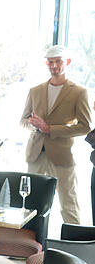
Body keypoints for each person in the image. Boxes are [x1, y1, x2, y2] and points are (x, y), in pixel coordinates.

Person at [20, 45, 91, 225]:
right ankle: (30, 245)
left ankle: (74, 245)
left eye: (58, 61)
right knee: (31, 204)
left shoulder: (79, 92)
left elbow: (86, 126)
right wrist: (36, 126)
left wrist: (50, 129)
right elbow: (23, 120)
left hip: (62, 155)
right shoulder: (35, 91)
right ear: (47, 64)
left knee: (69, 204)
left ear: (67, 62)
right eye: (51, 62)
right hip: (36, 154)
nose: (54, 66)